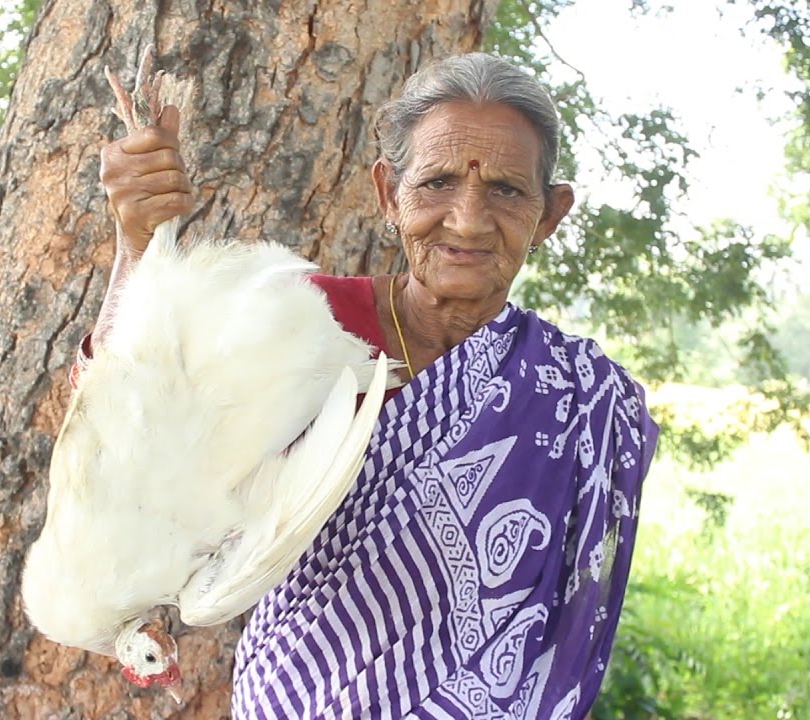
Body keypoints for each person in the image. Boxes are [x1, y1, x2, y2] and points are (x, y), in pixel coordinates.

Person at [85, 52, 658, 720]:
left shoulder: (583, 400)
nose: (468, 220)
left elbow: (565, 623)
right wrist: (135, 244)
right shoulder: (296, 325)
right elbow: (122, 444)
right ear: (389, 194)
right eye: (437, 183)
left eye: (505, 190)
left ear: (550, 215)